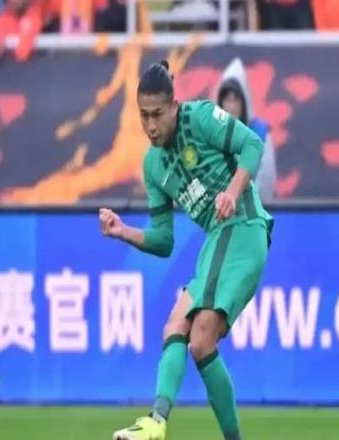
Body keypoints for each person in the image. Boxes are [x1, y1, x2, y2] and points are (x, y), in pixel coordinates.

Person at [99, 61, 273, 440]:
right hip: (220, 238)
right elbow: (164, 241)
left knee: (184, 325)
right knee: (198, 341)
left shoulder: (200, 118)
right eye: (144, 115)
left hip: (243, 226)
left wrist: (233, 191)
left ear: (174, 107)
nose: (150, 125)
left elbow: (253, 145)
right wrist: (123, 232)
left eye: (157, 114)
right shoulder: (153, 166)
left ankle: (156, 422)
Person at [217, 57, 277, 202]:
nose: (231, 106)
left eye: (236, 99)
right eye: (227, 100)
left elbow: (266, 182)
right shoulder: (213, 136)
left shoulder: (260, 134)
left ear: (244, 101)